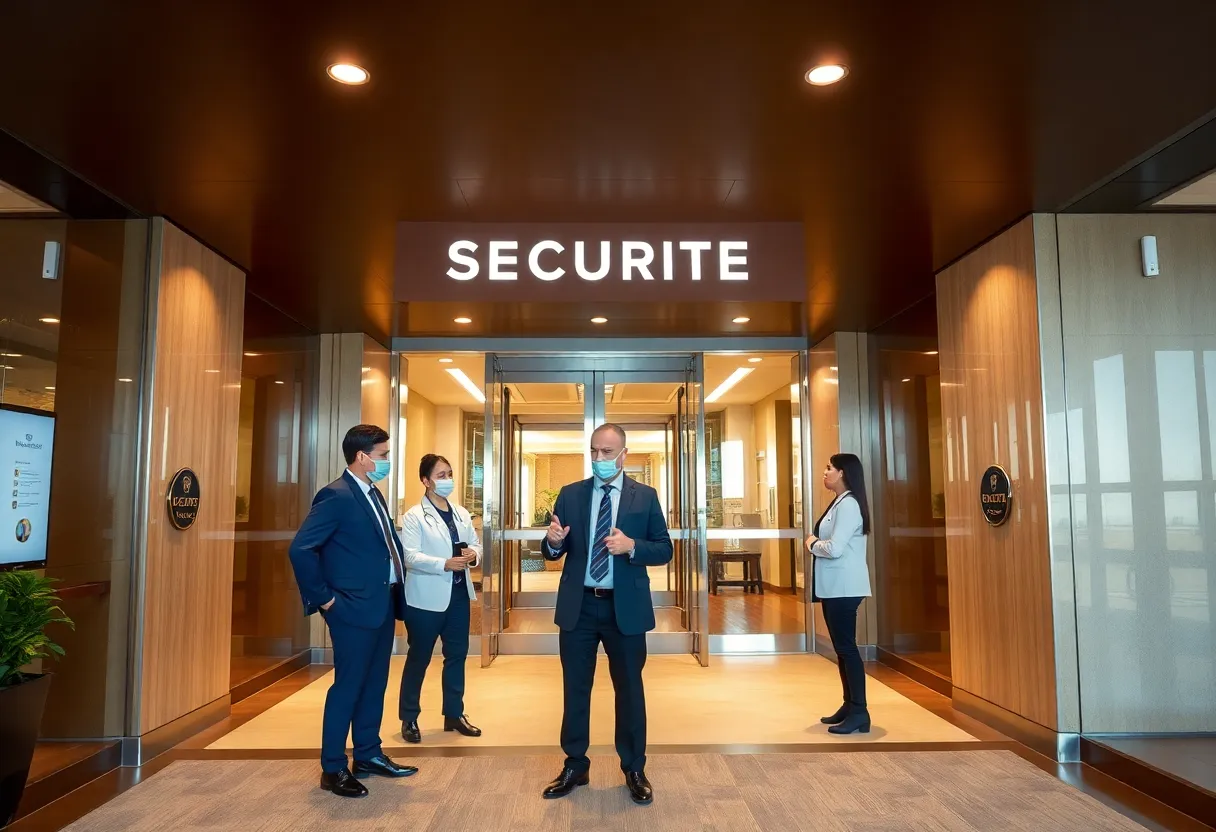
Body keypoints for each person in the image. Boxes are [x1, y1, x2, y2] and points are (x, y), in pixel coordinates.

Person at [539, 423, 672, 805]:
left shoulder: (645, 496)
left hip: (624, 608)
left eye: (607, 452)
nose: (599, 458)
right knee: (575, 688)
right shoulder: (571, 495)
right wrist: (552, 542)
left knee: (629, 690)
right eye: (594, 451)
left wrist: (632, 546)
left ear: (624, 454)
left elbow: (664, 548)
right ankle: (575, 765)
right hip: (579, 607)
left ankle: (634, 768)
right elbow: (553, 548)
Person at [288, 424, 418, 797]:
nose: (387, 461)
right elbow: (301, 549)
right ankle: (333, 768)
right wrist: (326, 599)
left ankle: (368, 754)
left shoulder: (372, 493)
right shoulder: (336, 495)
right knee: (348, 686)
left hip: (381, 604)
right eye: (383, 455)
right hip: (351, 609)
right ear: (362, 457)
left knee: (374, 684)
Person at [397, 453, 483, 743]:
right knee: (419, 658)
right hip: (425, 600)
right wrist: (444, 563)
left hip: (458, 596)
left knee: (457, 656)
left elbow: (475, 544)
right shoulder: (414, 516)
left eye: (449, 474)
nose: (447, 480)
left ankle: (454, 714)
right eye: (441, 475)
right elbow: (410, 556)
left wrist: (473, 555)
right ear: (426, 481)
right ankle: (409, 717)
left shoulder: (460, 512)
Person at [804, 452, 873, 735]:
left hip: (844, 587)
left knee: (847, 649)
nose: (825, 472)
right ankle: (850, 705)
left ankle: (860, 711)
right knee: (842, 650)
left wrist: (812, 543)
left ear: (842, 472)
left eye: (829, 468)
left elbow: (834, 548)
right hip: (834, 587)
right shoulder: (840, 501)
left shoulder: (849, 505)